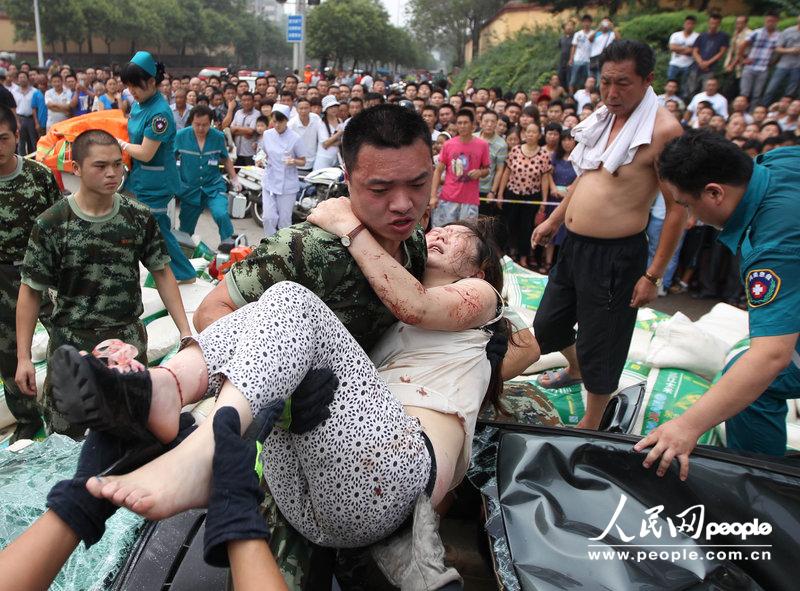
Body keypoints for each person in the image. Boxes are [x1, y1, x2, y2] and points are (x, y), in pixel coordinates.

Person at [54, 211, 512, 553]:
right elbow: (219, 312)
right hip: (316, 496)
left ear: (481, 270)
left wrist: (346, 225)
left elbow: (420, 307)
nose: (440, 235)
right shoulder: (387, 310)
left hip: (397, 480)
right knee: (268, 320)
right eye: (440, 229)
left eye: (457, 239)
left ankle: (202, 449)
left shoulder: (483, 299)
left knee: (292, 299)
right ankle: (162, 387)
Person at [531, 40, 684, 429]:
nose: (612, 94)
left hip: (617, 255)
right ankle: (577, 368)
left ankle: (592, 420)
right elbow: (586, 176)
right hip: (574, 245)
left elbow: (679, 208)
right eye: (605, 83)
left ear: (648, 80)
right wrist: (555, 220)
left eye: (623, 84)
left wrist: (653, 275)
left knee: (605, 337)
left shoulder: (664, 130)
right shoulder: (603, 116)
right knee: (548, 323)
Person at [636, 130, 800, 479]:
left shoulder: (772, 247)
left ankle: (761, 485)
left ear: (714, 192)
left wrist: (687, 425)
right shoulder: (781, 162)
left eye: (687, 205)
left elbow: (771, 355)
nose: (690, 219)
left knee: (756, 379)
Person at [15, 129, 191, 437]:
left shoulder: (138, 217)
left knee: (132, 432)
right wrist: (23, 358)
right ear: (76, 168)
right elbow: (30, 292)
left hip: (127, 344)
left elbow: (162, 273)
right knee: (67, 437)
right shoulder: (53, 223)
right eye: (100, 166)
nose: (112, 173)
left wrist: (185, 331)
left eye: (117, 164)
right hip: (72, 347)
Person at [0, 106, 61, 442]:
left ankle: (63, 411)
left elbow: (59, 223)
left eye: (3, 138)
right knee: (9, 351)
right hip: (2, 279)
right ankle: (26, 417)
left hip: (43, 271)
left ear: (16, 137)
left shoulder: (38, 176)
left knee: (65, 338)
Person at [116, 51, 196, 283]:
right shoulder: (141, 103)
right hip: (141, 177)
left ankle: (184, 273)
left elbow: (146, 152)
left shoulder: (160, 113)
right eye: (129, 87)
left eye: (135, 87)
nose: (131, 92)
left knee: (158, 229)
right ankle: (166, 268)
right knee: (150, 227)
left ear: (151, 82)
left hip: (157, 180)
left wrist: (121, 144)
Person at [175, 105, 238, 244]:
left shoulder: (218, 137)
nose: (201, 129)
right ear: (191, 121)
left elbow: (226, 158)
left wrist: (235, 179)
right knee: (185, 230)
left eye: (205, 125)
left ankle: (229, 246)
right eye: (197, 125)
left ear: (211, 123)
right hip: (189, 189)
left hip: (213, 187)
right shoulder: (181, 136)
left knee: (221, 214)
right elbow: (170, 159)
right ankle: (184, 255)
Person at [497, 123, 552, 270]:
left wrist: (544, 201)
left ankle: (523, 257)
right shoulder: (515, 150)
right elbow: (506, 173)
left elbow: (545, 179)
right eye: (528, 132)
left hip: (532, 197)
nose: (530, 134)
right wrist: (501, 193)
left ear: (539, 136)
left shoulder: (543, 154)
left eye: (534, 132)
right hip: (512, 194)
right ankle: (508, 254)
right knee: (509, 225)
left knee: (526, 228)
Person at [429, 109, 489, 227]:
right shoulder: (448, 144)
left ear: (473, 125)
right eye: (459, 123)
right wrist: (433, 196)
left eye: (465, 123)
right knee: (443, 232)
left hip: (470, 200)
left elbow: (487, 169)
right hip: (447, 198)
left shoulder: (482, 145)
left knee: (466, 236)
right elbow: (438, 170)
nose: (462, 126)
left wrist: (480, 172)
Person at [259, 104, 306, 237]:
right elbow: (263, 153)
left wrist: (293, 161)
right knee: (268, 217)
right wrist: (260, 159)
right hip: (270, 181)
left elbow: (303, 160)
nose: (277, 125)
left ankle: (284, 249)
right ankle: (270, 245)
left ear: (286, 121)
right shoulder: (267, 134)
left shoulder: (295, 138)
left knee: (284, 221)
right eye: (274, 121)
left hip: (288, 185)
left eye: (281, 121)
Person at [740, 12, 781, 107]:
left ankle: (752, 113)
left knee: (757, 94)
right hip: (750, 66)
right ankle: (740, 113)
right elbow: (742, 45)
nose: (770, 23)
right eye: (768, 21)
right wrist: (743, 59)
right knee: (744, 93)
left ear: (777, 22)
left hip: (763, 68)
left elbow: (779, 51)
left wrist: (773, 62)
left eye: (772, 21)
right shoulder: (756, 32)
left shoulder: (779, 35)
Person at [686, 12, 729, 98]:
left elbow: (722, 52)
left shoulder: (723, 36)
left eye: (716, 23)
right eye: (712, 23)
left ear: (719, 24)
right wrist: (700, 62)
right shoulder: (702, 35)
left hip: (710, 68)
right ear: (708, 22)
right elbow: (695, 50)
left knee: (705, 89)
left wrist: (708, 63)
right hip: (696, 67)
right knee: (691, 88)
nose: (713, 25)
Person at [763, 15, 800, 106]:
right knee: (771, 89)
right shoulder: (788, 31)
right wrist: (791, 50)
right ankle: (763, 108)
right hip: (783, 64)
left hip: (798, 66)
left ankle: (785, 110)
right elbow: (777, 48)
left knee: (790, 92)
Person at [667, 15, 699, 100]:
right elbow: (672, 48)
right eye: (688, 23)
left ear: (694, 25)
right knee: (670, 83)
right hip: (674, 63)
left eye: (692, 24)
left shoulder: (697, 36)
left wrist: (679, 49)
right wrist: (687, 49)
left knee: (684, 86)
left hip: (688, 64)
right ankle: (669, 99)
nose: (689, 25)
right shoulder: (676, 35)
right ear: (684, 24)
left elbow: (694, 51)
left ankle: (680, 102)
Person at [287, 97, 321, 176]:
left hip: (315, 162)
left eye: (306, 108)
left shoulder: (316, 118)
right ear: (297, 109)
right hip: (298, 164)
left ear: (310, 108)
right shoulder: (291, 124)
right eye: (301, 108)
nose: (304, 111)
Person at [10, 71, 38, 156]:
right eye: (20, 77)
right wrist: (16, 121)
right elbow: (13, 108)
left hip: (31, 119)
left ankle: (34, 161)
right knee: (21, 142)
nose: (22, 79)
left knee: (33, 141)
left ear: (27, 79)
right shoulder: (14, 91)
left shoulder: (34, 91)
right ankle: (21, 160)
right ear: (17, 80)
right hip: (19, 118)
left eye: (24, 77)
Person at [313, 95, 343, 171]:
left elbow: (342, 141)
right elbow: (325, 144)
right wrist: (339, 133)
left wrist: (332, 141)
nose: (334, 109)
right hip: (323, 159)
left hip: (337, 158)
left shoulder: (340, 120)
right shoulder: (321, 123)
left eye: (335, 106)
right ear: (326, 109)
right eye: (330, 107)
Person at [231, 91, 259, 167]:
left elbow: (251, 131)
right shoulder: (238, 113)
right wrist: (245, 131)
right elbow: (231, 129)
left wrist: (237, 129)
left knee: (249, 175)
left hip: (250, 153)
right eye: (244, 100)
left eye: (249, 100)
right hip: (237, 152)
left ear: (253, 101)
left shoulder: (257, 114)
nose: (246, 102)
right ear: (241, 102)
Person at [569, 15, 594, 95]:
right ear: (582, 23)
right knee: (573, 79)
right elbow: (574, 46)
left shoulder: (594, 33)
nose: (586, 23)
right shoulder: (577, 34)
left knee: (589, 79)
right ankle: (571, 96)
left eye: (588, 22)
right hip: (578, 59)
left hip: (589, 60)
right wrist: (571, 58)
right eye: (585, 22)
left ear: (591, 23)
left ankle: (589, 94)